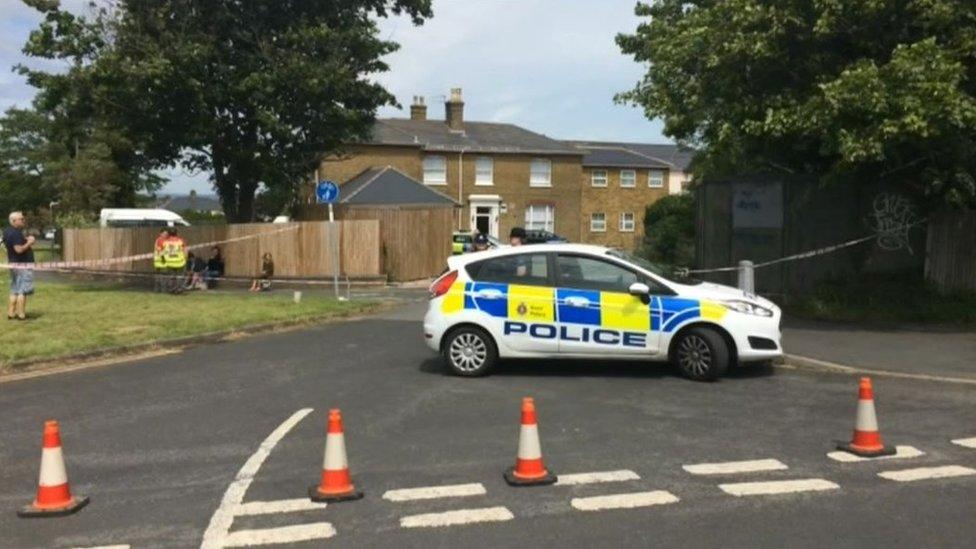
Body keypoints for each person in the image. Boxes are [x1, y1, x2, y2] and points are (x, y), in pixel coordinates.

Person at [3, 211, 36, 320]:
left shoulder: (7, 231)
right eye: (21, 219)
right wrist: (29, 243)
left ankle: (11, 313)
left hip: (13, 263)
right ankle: (21, 314)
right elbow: (18, 249)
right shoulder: (16, 233)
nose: (23, 220)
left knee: (14, 288)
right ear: (13, 221)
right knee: (23, 290)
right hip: (22, 265)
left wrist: (25, 239)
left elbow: (12, 245)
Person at [160, 227, 187, 294]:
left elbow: (161, 252)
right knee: (180, 277)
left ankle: (172, 289)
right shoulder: (180, 241)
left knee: (172, 277)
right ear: (177, 233)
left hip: (170, 262)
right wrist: (185, 258)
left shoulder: (165, 242)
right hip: (180, 262)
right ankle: (179, 290)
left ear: (169, 234)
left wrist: (163, 259)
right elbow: (185, 250)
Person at [153, 228, 168, 292]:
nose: (166, 235)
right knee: (162, 276)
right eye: (164, 234)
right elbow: (159, 250)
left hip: (158, 261)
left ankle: (157, 289)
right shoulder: (160, 240)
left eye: (166, 234)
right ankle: (163, 289)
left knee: (158, 276)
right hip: (161, 261)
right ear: (160, 234)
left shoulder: (159, 240)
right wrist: (163, 258)